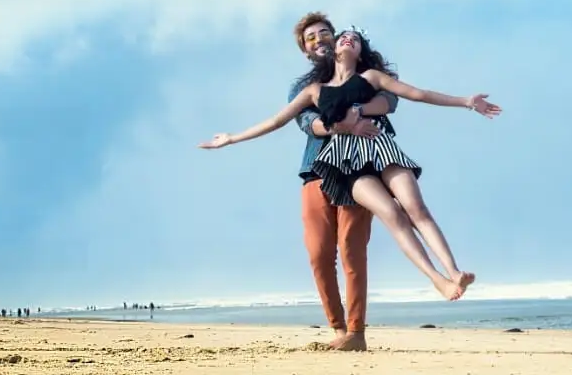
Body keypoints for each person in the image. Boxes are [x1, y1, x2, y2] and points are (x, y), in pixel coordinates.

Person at [198, 21, 502, 303]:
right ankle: (438, 280)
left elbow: (417, 94)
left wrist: (465, 101)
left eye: (354, 39)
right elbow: (278, 121)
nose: (348, 39)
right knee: (391, 214)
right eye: (345, 36)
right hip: (345, 162)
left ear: (360, 52)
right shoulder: (313, 91)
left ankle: (454, 271)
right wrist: (232, 138)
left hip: (380, 148)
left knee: (416, 208)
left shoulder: (371, 77)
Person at [288, 12, 399, 352]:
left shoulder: (364, 74)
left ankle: (356, 332)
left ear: (337, 41)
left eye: (325, 33)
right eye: (311, 37)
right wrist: (337, 125)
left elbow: (391, 101)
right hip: (316, 171)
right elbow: (307, 123)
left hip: (355, 170)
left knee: (353, 251)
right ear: (306, 51)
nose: (319, 39)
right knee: (319, 254)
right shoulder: (303, 87)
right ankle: (337, 327)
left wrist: (360, 113)